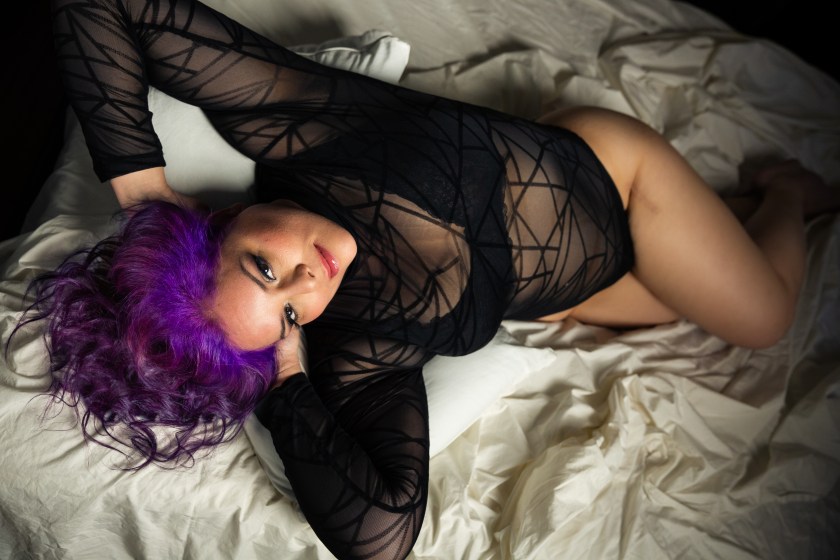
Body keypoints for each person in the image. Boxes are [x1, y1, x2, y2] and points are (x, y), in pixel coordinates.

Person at [21, 0, 837, 558]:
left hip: (615, 178)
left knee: (764, 318)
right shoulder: (353, 343)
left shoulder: (304, 125)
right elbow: (381, 535)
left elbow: (100, 8)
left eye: (263, 266)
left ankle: (786, 196)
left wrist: (145, 194)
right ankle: (732, 220)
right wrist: (286, 382)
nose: (308, 279)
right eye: (290, 311)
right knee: (696, 293)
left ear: (222, 217)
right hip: (569, 292)